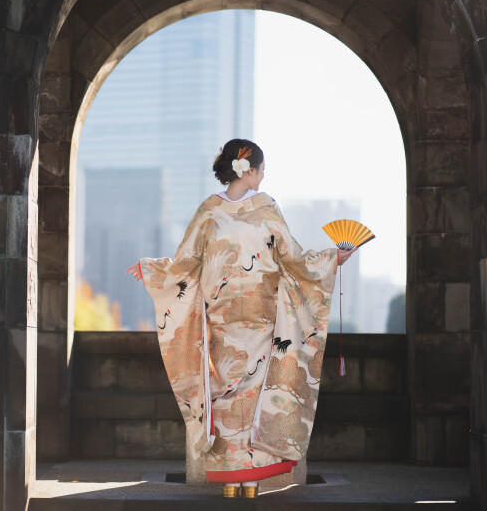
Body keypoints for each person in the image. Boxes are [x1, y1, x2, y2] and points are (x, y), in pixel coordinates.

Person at [126, 139, 355, 498]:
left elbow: (291, 258)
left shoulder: (257, 208)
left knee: (254, 401)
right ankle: (231, 479)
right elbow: (187, 260)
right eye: (261, 169)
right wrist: (153, 270)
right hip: (222, 325)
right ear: (247, 171)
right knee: (227, 401)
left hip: (263, 323)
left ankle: (250, 479)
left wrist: (329, 259)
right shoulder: (212, 211)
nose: (264, 176)